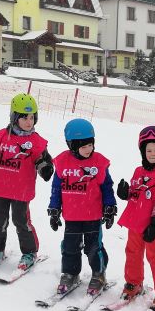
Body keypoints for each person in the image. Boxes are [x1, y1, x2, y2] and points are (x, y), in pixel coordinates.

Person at [0, 93, 53, 270]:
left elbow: (43, 160)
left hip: (21, 189)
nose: (29, 121)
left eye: (32, 117)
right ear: (14, 117)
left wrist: (45, 169)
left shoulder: (36, 142)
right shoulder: (0, 137)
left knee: (21, 221)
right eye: (24, 117)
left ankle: (29, 252)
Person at [48, 119, 117, 295]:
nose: (89, 149)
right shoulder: (63, 162)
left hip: (93, 216)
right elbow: (56, 188)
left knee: (94, 248)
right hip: (71, 216)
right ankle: (70, 273)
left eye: (90, 145)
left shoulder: (98, 163)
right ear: (71, 145)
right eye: (83, 146)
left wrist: (110, 207)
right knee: (70, 247)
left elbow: (107, 187)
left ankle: (98, 274)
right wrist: (54, 209)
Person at [117, 126, 155, 309]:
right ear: (143, 151)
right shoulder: (139, 171)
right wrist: (125, 193)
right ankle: (134, 283)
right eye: (149, 150)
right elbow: (137, 193)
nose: (153, 153)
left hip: (152, 224)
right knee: (132, 251)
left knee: (154, 255)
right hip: (135, 221)